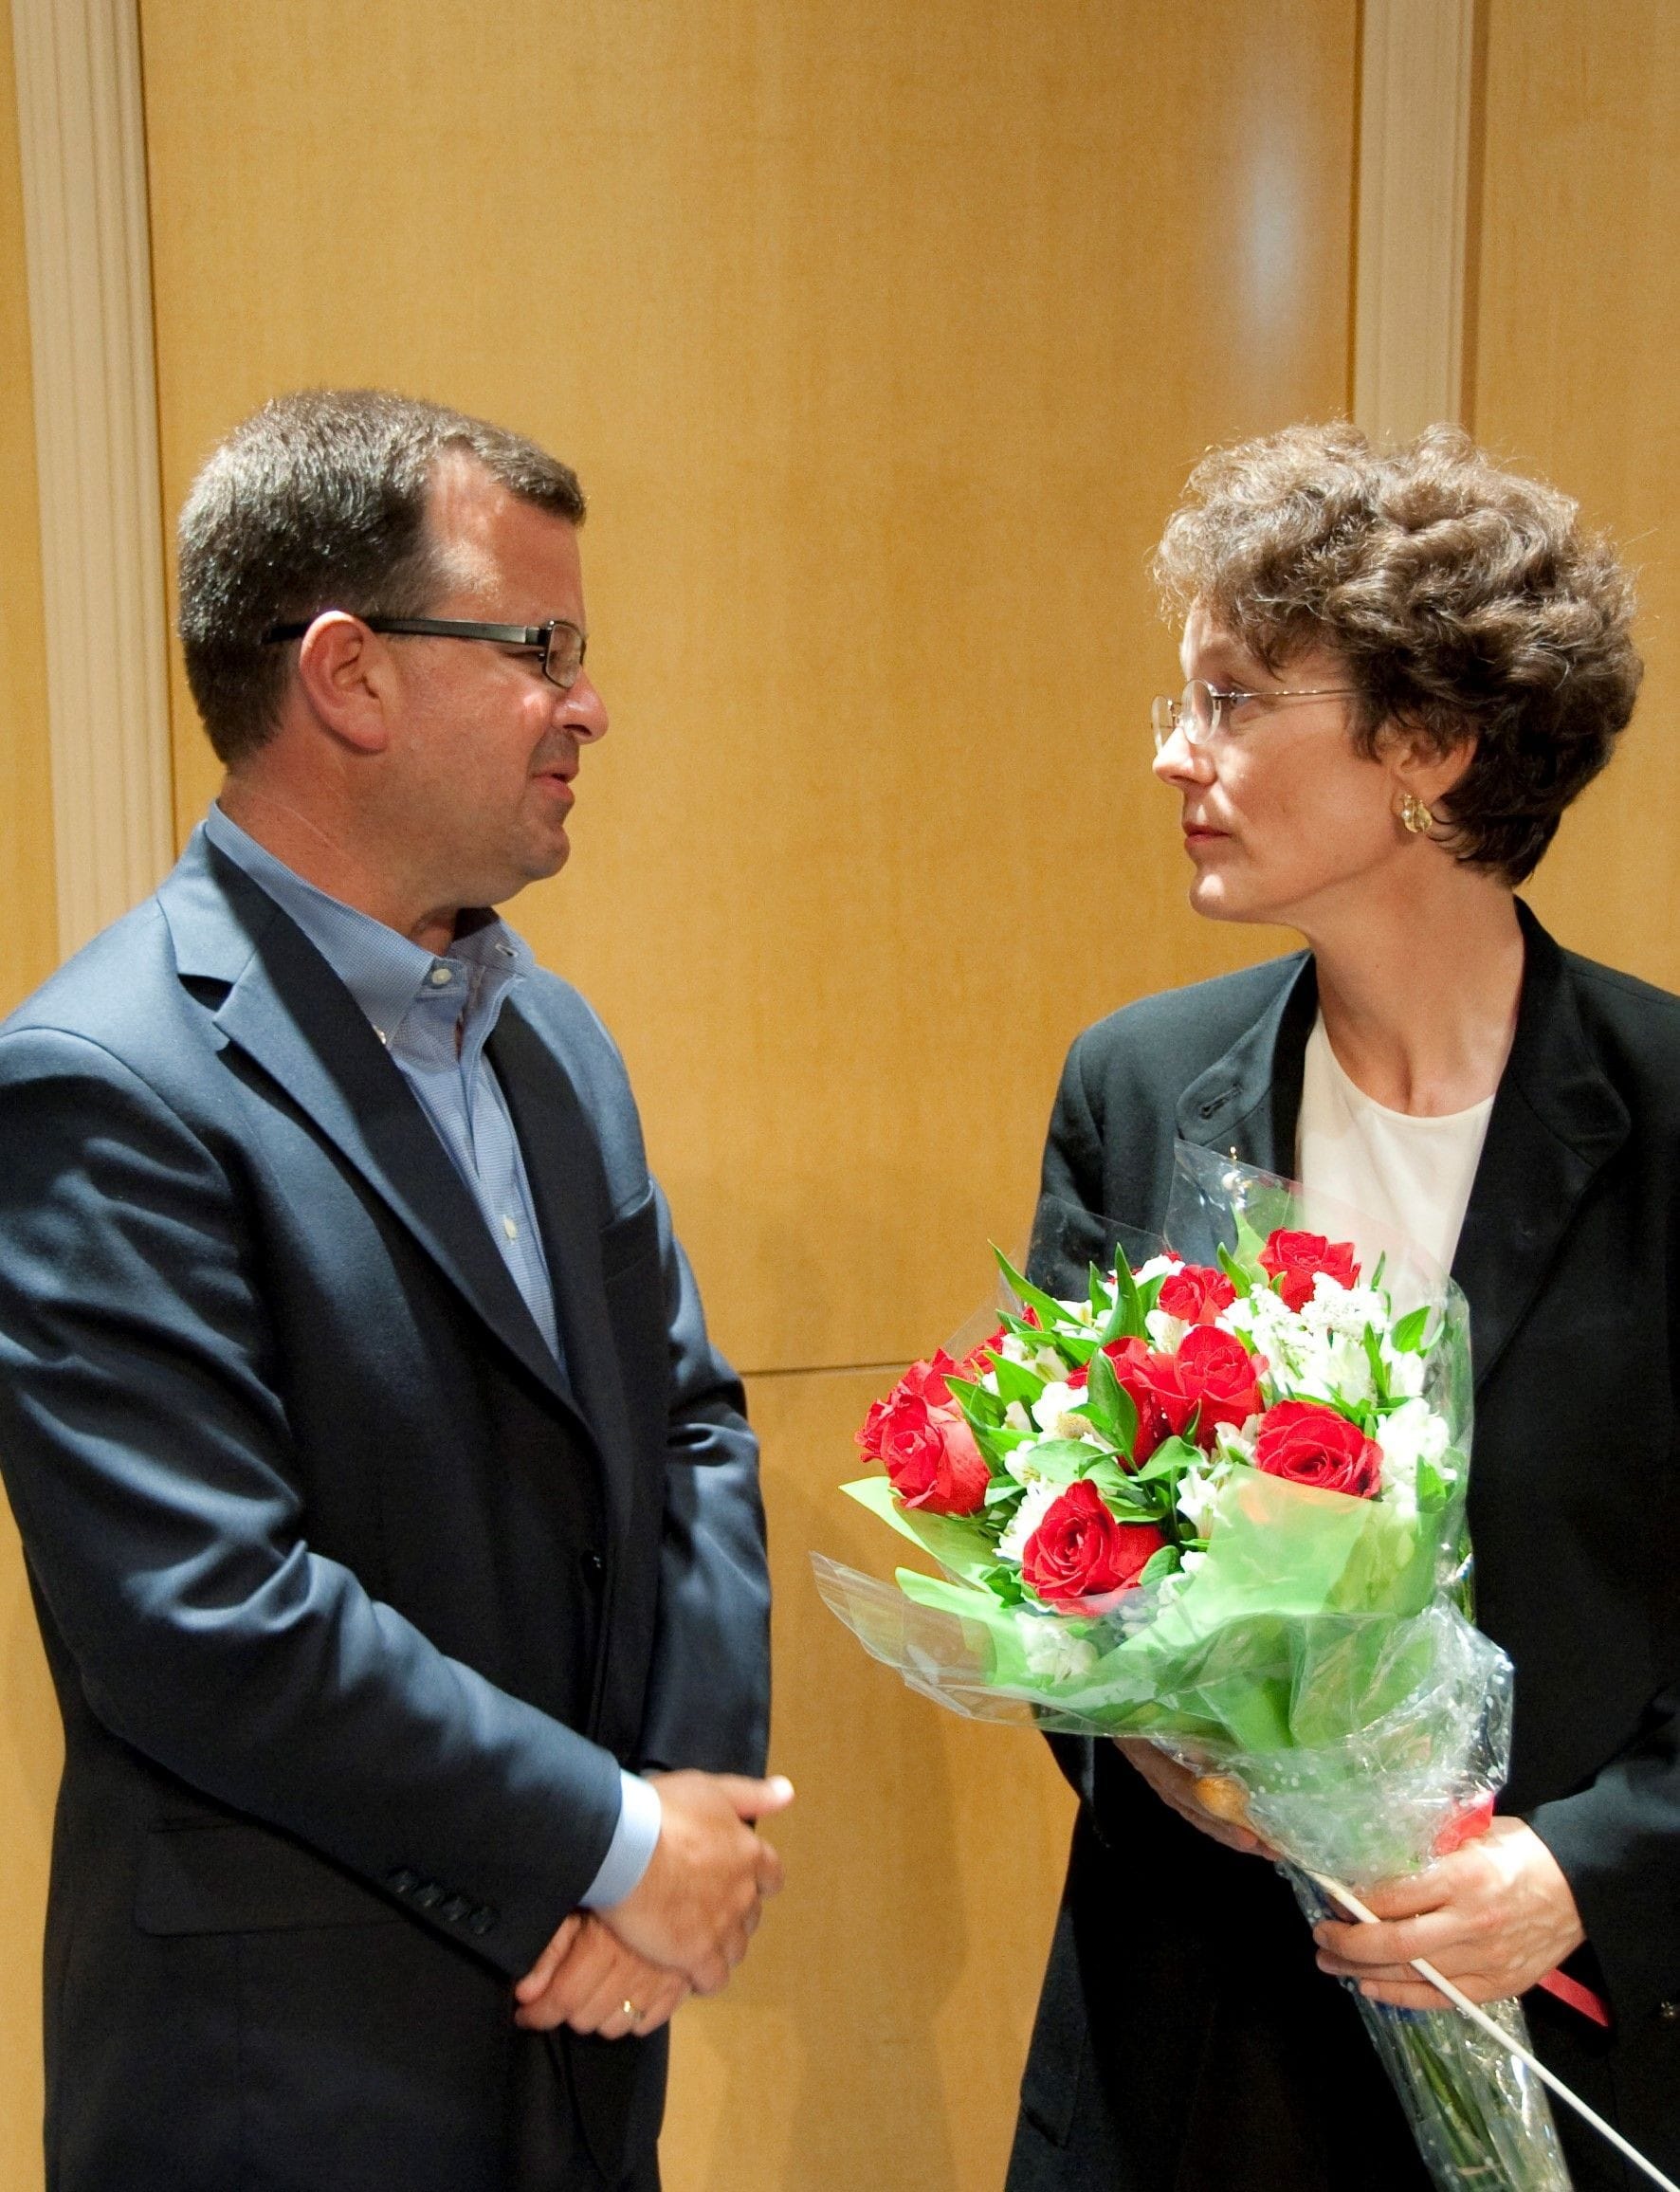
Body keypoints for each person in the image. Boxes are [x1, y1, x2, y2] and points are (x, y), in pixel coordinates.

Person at [0, 390, 788, 2192]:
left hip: (589, 2045)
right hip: (292, 2087)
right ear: (349, 680)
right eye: (540, 647)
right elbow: (206, 1616)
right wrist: (606, 1838)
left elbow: (691, 1426)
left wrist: (686, 1831)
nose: (587, 705)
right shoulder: (99, 1081)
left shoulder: (552, 1039)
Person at [1005, 423, 1680, 2192]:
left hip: (1576, 2037)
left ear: (1433, 751)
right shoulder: (1136, 1087)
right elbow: (1051, 1553)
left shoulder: (1676, 1117)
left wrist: (1582, 1876)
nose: (1174, 752)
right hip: (1192, 2053)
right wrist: (1171, 1743)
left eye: (1232, 700)